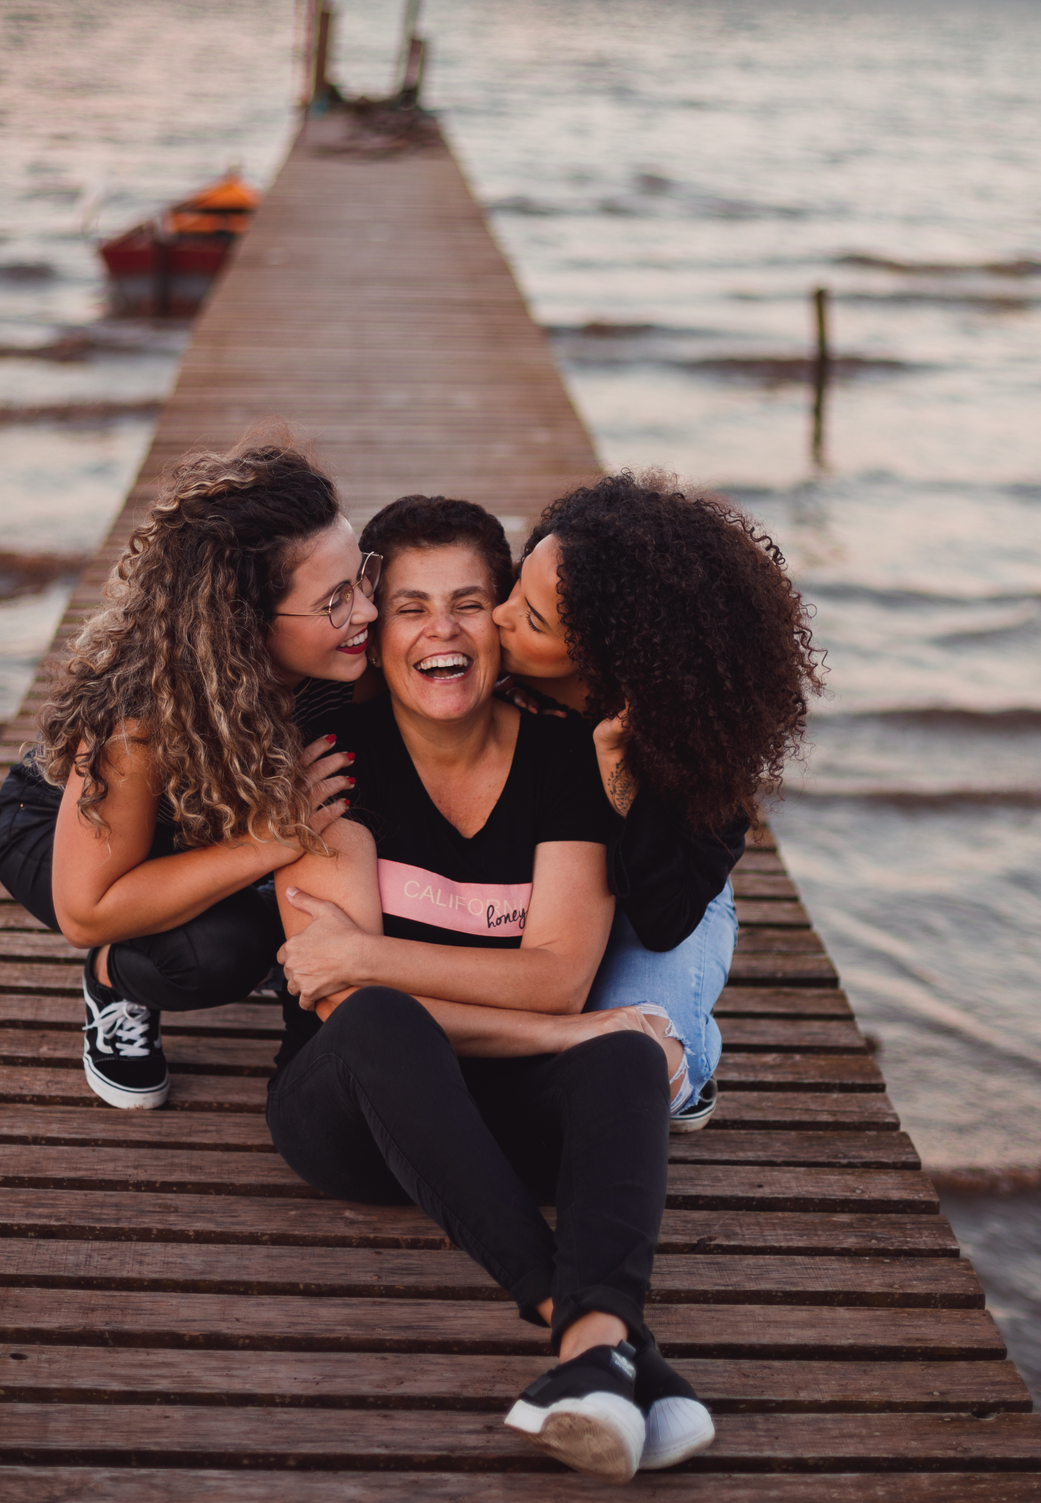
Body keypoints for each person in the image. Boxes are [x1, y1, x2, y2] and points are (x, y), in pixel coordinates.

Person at [267, 496, 717, 1484]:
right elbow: (341, 1003)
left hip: (507, 1123)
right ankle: (583, 1330)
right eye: (412, 606)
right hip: (352, 1118)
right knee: (390, 1022)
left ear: (504, 618)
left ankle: (597, 1353)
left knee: (623, 1061)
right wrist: (563, 1030)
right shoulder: (333, 753)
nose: (443, 631)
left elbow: (555, 976)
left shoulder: (567, 753)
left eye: (472, 603)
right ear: (374, 628)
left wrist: (383, 957)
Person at [0, 439, 378, 1110]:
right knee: (217, 954)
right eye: (336, 600)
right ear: (246, 624)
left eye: (362, 578)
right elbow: (88, 910)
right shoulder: (139, 721)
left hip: (205, 828)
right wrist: (271, 844)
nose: (366, 611)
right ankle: (114, 982)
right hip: (69, 838)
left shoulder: (344, 657)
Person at [493, 469, 821, 1130]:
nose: (498, 614)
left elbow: (663, 919)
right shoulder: (498, 673)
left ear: (606, 661)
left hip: (664, 903)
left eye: (528, 618)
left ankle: (693, 1060)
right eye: (515, 583)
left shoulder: (691, 751)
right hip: (544, 894)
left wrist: (617, 770)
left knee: (642, 1068)